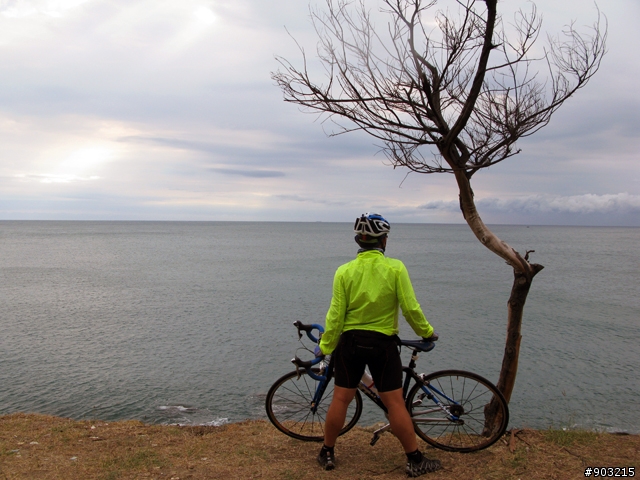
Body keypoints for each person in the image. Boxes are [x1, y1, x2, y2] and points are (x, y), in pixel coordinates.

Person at [315, 213, 441, 477]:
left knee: (341, 398)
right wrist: (427, 333)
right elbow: (410, 308)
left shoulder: (344, 271)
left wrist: (326, 346)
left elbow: (335, 316)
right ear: (383, 241)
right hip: (382, 344)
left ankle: (327, 452)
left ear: (358, 241)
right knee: (395, 403)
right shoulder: (395, 268)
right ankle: (414, 459)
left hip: (349, 343)